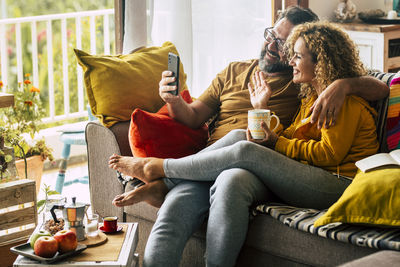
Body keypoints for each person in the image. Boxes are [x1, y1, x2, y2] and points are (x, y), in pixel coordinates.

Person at [110, 7, 388, 267]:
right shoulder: (268, 79)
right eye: (271, 35)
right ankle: (169, 181)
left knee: (239, 157)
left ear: (316, 57)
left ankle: (161, 171)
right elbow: (193, 116)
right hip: (210, 163)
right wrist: (172, 100)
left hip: (281, 170)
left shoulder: (313, 88)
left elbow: (381, 88)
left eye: (285, 46)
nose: (271, 46)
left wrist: (343, 85)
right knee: (181, 205)